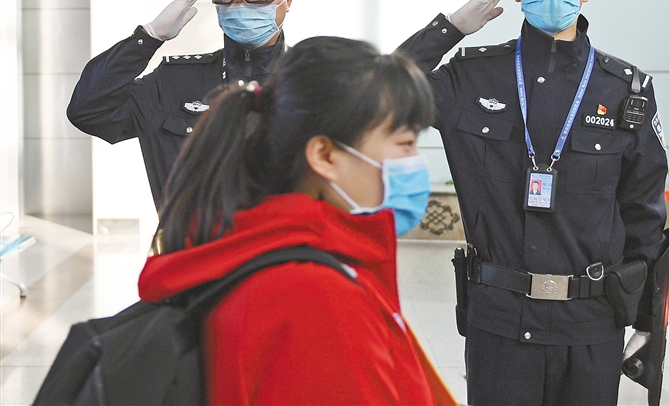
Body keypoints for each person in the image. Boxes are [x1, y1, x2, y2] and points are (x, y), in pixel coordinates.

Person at [397, 0, 668, 405]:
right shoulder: (469, 78)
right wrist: (450, 29)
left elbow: (644, 215)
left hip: (591, 324)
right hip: (499, 323)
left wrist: (650, 321)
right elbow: (378, 94)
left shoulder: (625, 90)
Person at [138, 36, 456, 405]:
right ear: (325, 156)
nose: (416, 161)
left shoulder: (270, 249)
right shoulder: (316, 296)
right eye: (405, 143)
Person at [67, 0, 294, 209]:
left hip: (284, 237)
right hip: (191, 237)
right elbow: (89, 111)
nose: (241, 1)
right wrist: (147, 38)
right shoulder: (174, 82)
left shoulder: (311, 82)